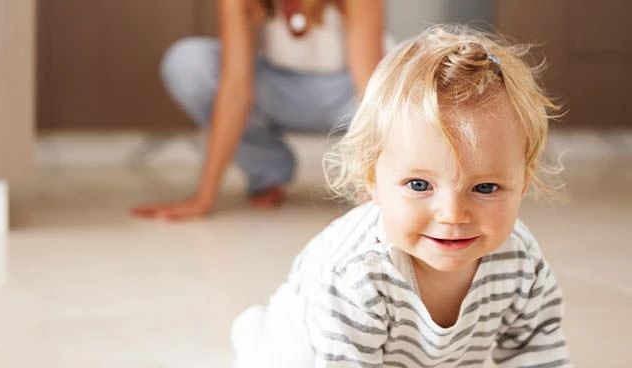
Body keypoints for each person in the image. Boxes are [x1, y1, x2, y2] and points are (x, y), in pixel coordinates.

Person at [230, 24, 573, 367]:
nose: (452, 214)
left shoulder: (521, 260)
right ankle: (255, 333)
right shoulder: (356, 276)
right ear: (371, 179)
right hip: (309, 342)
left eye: (485, 187)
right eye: (419, 185)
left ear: (524, 181)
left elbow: (537, 348)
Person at [131, 0, 389, 220]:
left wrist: (365, 203)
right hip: (281, 88)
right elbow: (234, 91)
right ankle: (268, 172)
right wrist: (203, 199)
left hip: (349, 95)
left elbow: (369, 93)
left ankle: (371, 188)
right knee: (189, 62)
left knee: (402, 74)